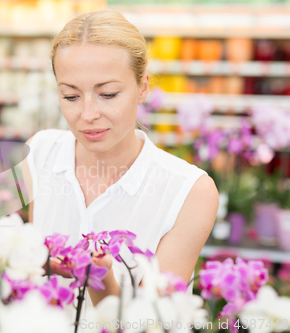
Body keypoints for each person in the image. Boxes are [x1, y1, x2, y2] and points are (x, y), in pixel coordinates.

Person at [21, 8, 219, 308]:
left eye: (109, 94)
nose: (88, 115)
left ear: (143, 87)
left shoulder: (190, 192)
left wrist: (101, 281)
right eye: (71, 96)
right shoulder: (38, 152)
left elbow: (152, 324)